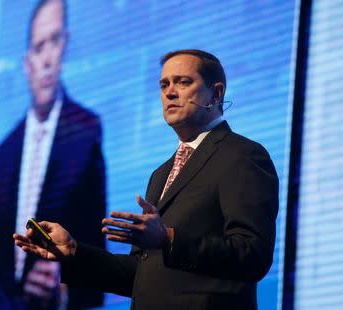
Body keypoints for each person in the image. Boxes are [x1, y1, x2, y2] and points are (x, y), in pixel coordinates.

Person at [14, 49, 279, 309]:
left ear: (216, 92)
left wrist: (170, 239)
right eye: (164, 84)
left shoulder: (242, 155)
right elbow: (142, 275)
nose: (170, 92)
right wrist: (74, 252)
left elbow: (252, 254)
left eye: (183, 82)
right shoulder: (161, 174)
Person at [0, 0, 105, 309]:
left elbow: (96, 254)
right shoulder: (2, 154)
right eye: (38, 48)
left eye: (54, 42)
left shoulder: (85, 131)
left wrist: (63, 290)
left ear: (65, 46)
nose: (47, 58)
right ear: (26, 63)